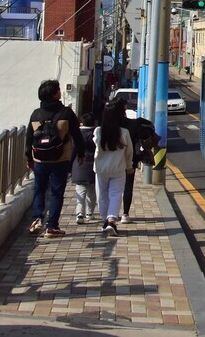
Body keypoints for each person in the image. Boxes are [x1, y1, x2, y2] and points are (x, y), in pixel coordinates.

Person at [24, 79, 84, 238]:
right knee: (57, 192)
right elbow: (77, 136)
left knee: (39, 189)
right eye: (58, 90)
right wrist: (81, 154)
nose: (60, 92)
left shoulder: (35, 114)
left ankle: (37, 218)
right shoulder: (66, 113)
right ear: (54, 94)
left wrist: (28, 157)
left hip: (39, 160)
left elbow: (29, 138)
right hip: (60, 159)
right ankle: (52, 226)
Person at [94, 99, 133, 236]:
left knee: (102, 195)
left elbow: (96, 149)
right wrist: (129, 166)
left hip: (101, 169)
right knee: (116, 194)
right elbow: (129, 153)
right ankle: (111, 220)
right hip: (118, 169)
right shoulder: (124, 133)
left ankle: (106, 220)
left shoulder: (98, 132)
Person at [71, 111, 97, 224]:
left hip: (79, 164)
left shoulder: (77, 134)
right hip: (94, 165)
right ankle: (89, 213)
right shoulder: (96, 134)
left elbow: (73, 150)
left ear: (82, 122)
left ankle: (79, 213)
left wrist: (69, 165)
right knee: (92, 190)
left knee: (80, 190)